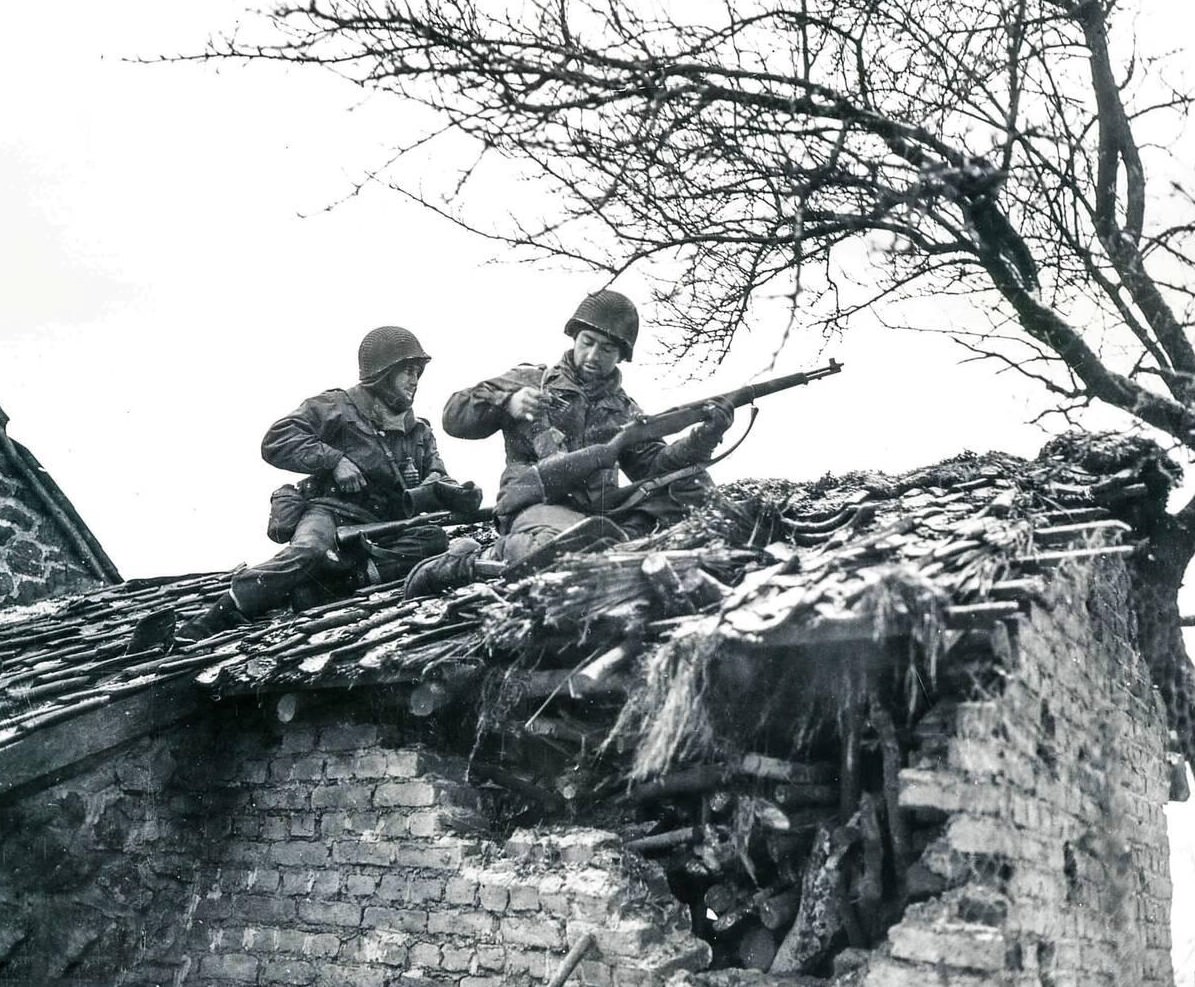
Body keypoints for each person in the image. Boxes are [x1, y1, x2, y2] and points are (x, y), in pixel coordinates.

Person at [402, 289, 732, 598]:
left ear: (621, 355)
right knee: (566, 544)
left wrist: (704, 437)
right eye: (587, 342)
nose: (593, 355)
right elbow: (453, 417)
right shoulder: (532, 381)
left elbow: (655, 466)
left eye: (607, 349)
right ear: (574, 337)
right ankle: (472, 561)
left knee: (690, 498)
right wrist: (507, 401)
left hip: (597, 515)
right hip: (533, 507)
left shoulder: (624, 410)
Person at [177, 326, 482, 641]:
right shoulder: (337, 406)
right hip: (332, 512)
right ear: (382, 373)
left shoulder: (418, 431)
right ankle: (218, 614)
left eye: (418, 372)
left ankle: (339, 583)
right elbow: (278, 439)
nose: (415, 380)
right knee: (310, 550)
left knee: (432, 540)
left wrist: (448, 489)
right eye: (407, 371)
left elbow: (438, 473)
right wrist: (334, 460)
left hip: (387, 524)